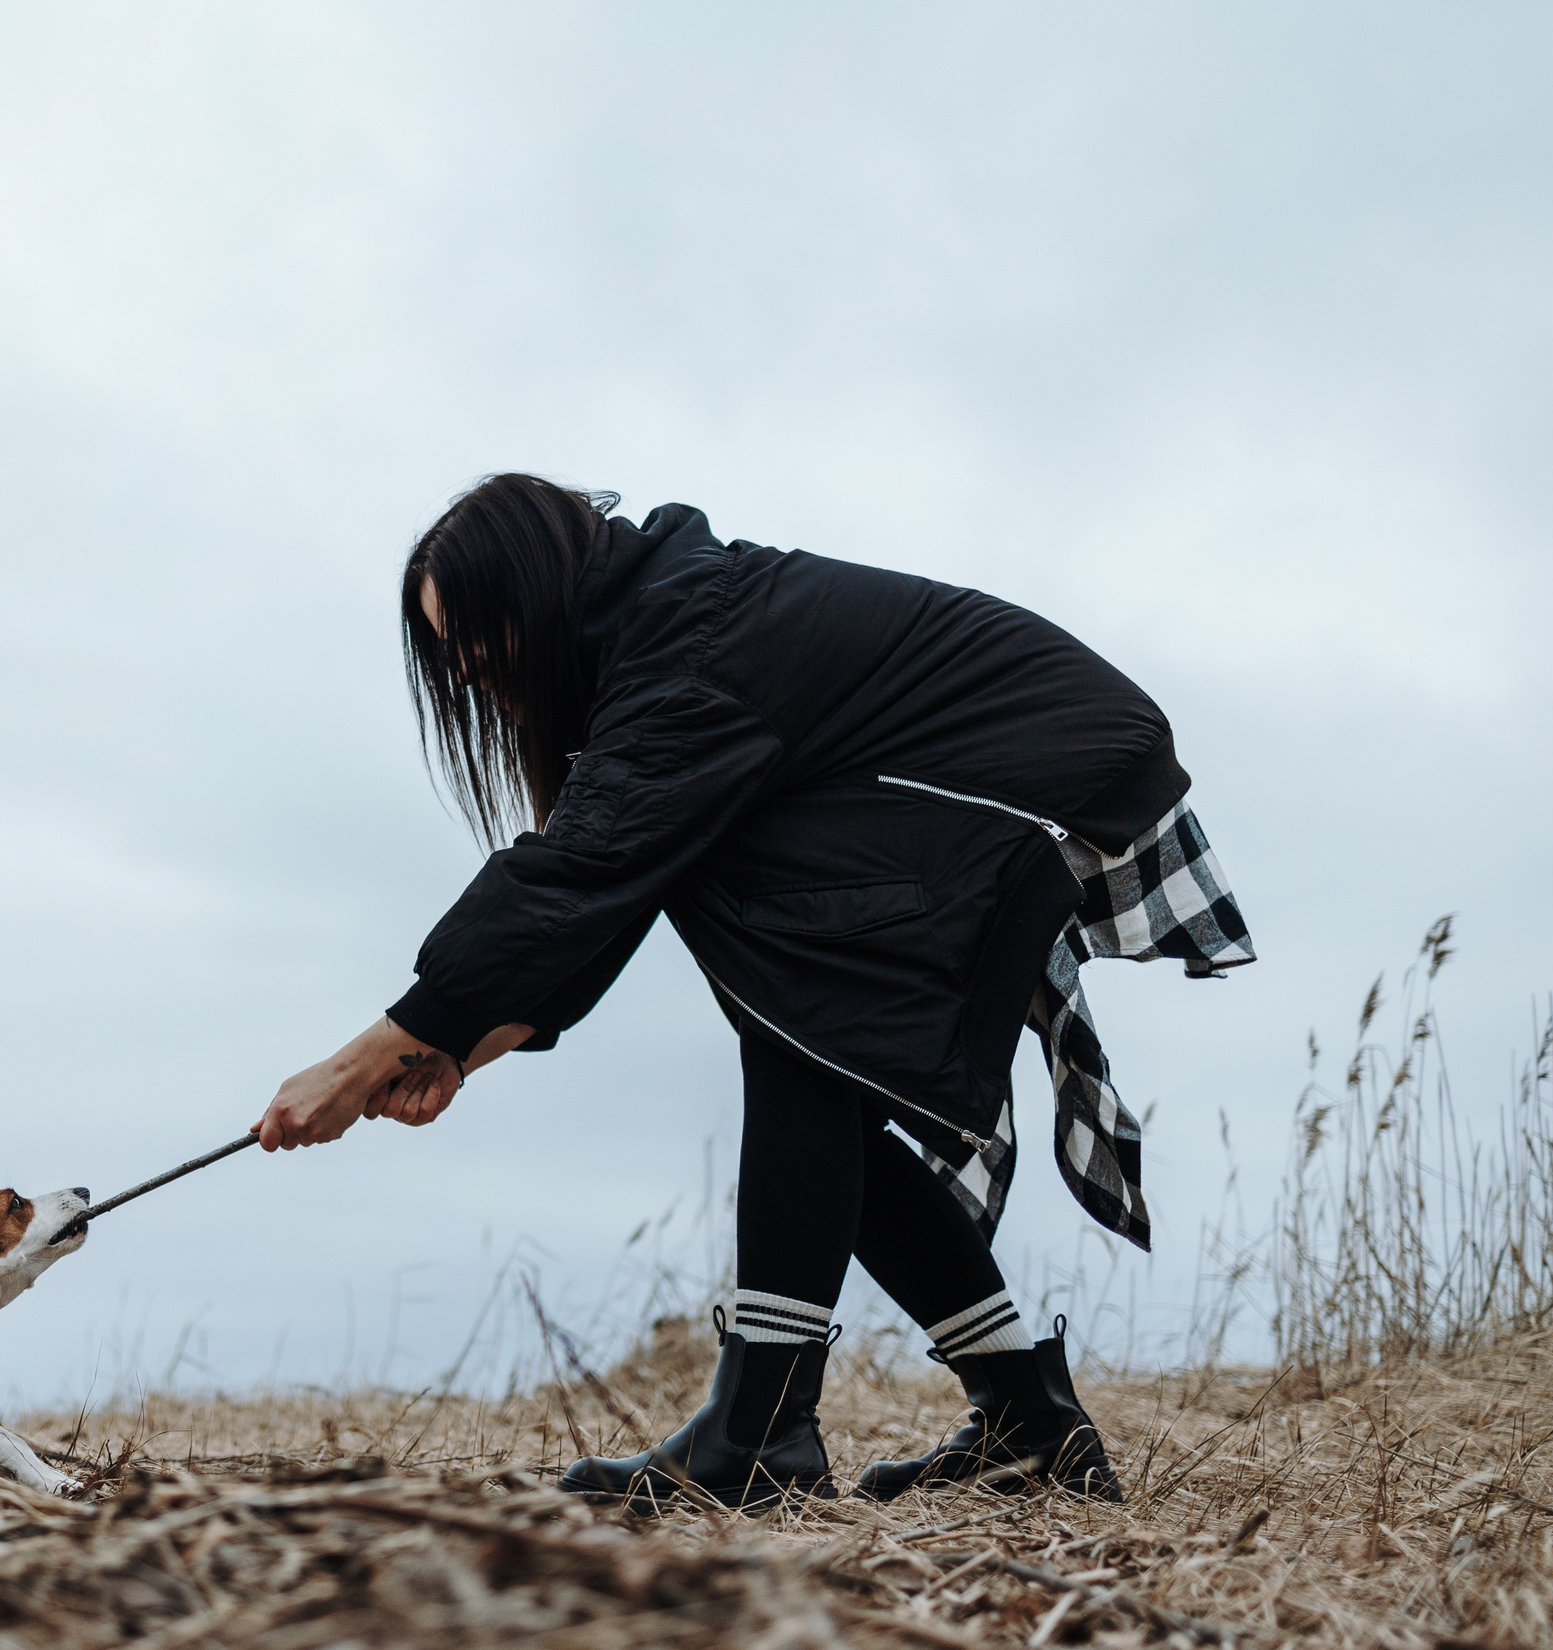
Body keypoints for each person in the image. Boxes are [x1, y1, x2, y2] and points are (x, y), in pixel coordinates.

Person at [253, 474, 1252, 1512]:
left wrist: (361, 1057)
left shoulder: (684, 644)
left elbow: (571, 880)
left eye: (474, 636)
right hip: (1020, 770)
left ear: (534, 590)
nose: (466, 670)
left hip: (1031, 770)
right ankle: (1024, 1420)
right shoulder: (657, 649)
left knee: (795, 1017)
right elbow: (603, 903)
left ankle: (763, 1422)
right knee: (809, 1041)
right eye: (446, 652)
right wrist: (451, 1049)